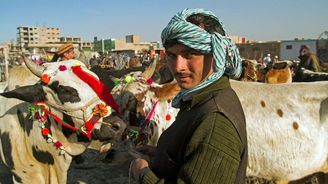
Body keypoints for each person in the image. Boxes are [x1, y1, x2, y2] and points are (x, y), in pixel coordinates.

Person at [130, 8, 247, 184]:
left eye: (189, 54)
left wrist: (142, 173)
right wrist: (161, 154)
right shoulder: (199, 99)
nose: (178, 67)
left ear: (217, 54)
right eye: (171, 55)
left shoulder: (215, 121)